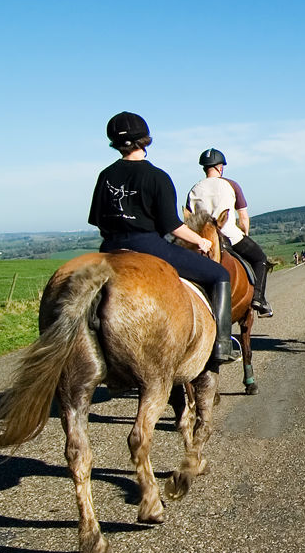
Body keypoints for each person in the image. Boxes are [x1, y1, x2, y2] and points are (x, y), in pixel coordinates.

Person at [88, 112, 239, 364]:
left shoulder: (105, 176)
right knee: (219, 274)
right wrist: (201, 241)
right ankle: (222, 344)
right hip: (148, 246)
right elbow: (173, 226)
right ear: (145, 141)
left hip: (109, 247)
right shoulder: (157, 177)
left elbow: (99, 222)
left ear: (114, 142)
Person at [186, 148, 273, 317]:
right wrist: (245, 233)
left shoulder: (194, 189)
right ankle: (258, 298)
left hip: (203, 241)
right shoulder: (231, 184)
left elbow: (190, 219)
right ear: (220, 167)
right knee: (260, 258)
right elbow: (243, 217)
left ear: (204, 168)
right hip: (230, 236)